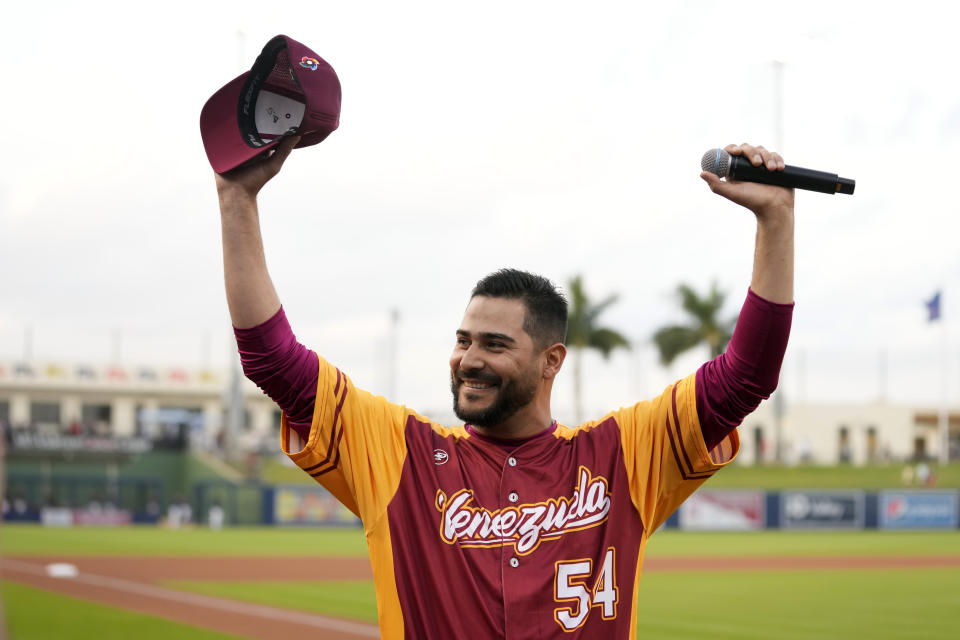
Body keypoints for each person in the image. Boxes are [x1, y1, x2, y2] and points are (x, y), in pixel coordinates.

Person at [215, 139, 794, 639]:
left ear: (551, 361)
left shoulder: (621, 454)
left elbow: (746, 376)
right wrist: (236, 199)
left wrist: (776, 221)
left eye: (494, 344)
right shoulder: (402, 456)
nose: (468, 359)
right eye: (463, 340)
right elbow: (273, 362)